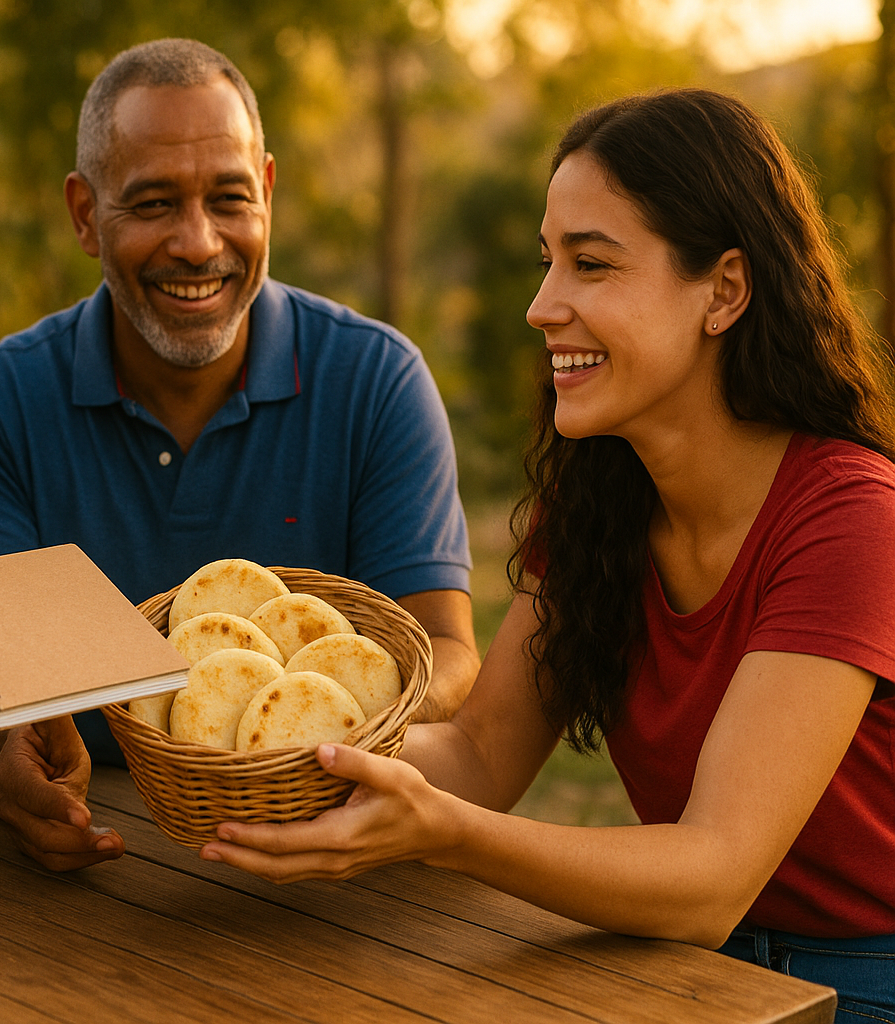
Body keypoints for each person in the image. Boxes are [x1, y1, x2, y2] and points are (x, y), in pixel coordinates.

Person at [203, 88, 895, 1019]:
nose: (542, 306)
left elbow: (711, 874)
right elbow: (484, 753)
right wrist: (263, 738)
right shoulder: (598, 503)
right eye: (546, 263)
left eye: (591, 265)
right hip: (678, 965)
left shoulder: (852, 517)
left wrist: (448, 836)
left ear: (724, 290)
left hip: (858, 979)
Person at [0, 38, 478, 871]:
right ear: (83, 213)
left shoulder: (375, 381)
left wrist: (326, 736)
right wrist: (6, 753)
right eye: (151, 204)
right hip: (83, 873)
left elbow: (447, 650)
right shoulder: (0, 404)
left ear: (269, 191)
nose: (197, 242)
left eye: (229, 198)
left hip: (333, 865)